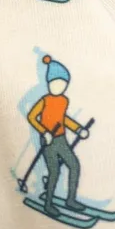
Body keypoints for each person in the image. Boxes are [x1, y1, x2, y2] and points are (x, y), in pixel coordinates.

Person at [27, 55, 89, 217]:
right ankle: (48, 204)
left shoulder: (63, 101)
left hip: (61, 139)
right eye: (55, 83)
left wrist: (78, 129)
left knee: (74, 165)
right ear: (49, 83)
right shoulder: (44, 100)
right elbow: (32, 117)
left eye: (63, 84)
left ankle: (71, 200)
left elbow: (63, 119)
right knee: (54, 172)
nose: (59, 87)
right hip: (48, 141)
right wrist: (44, 132)